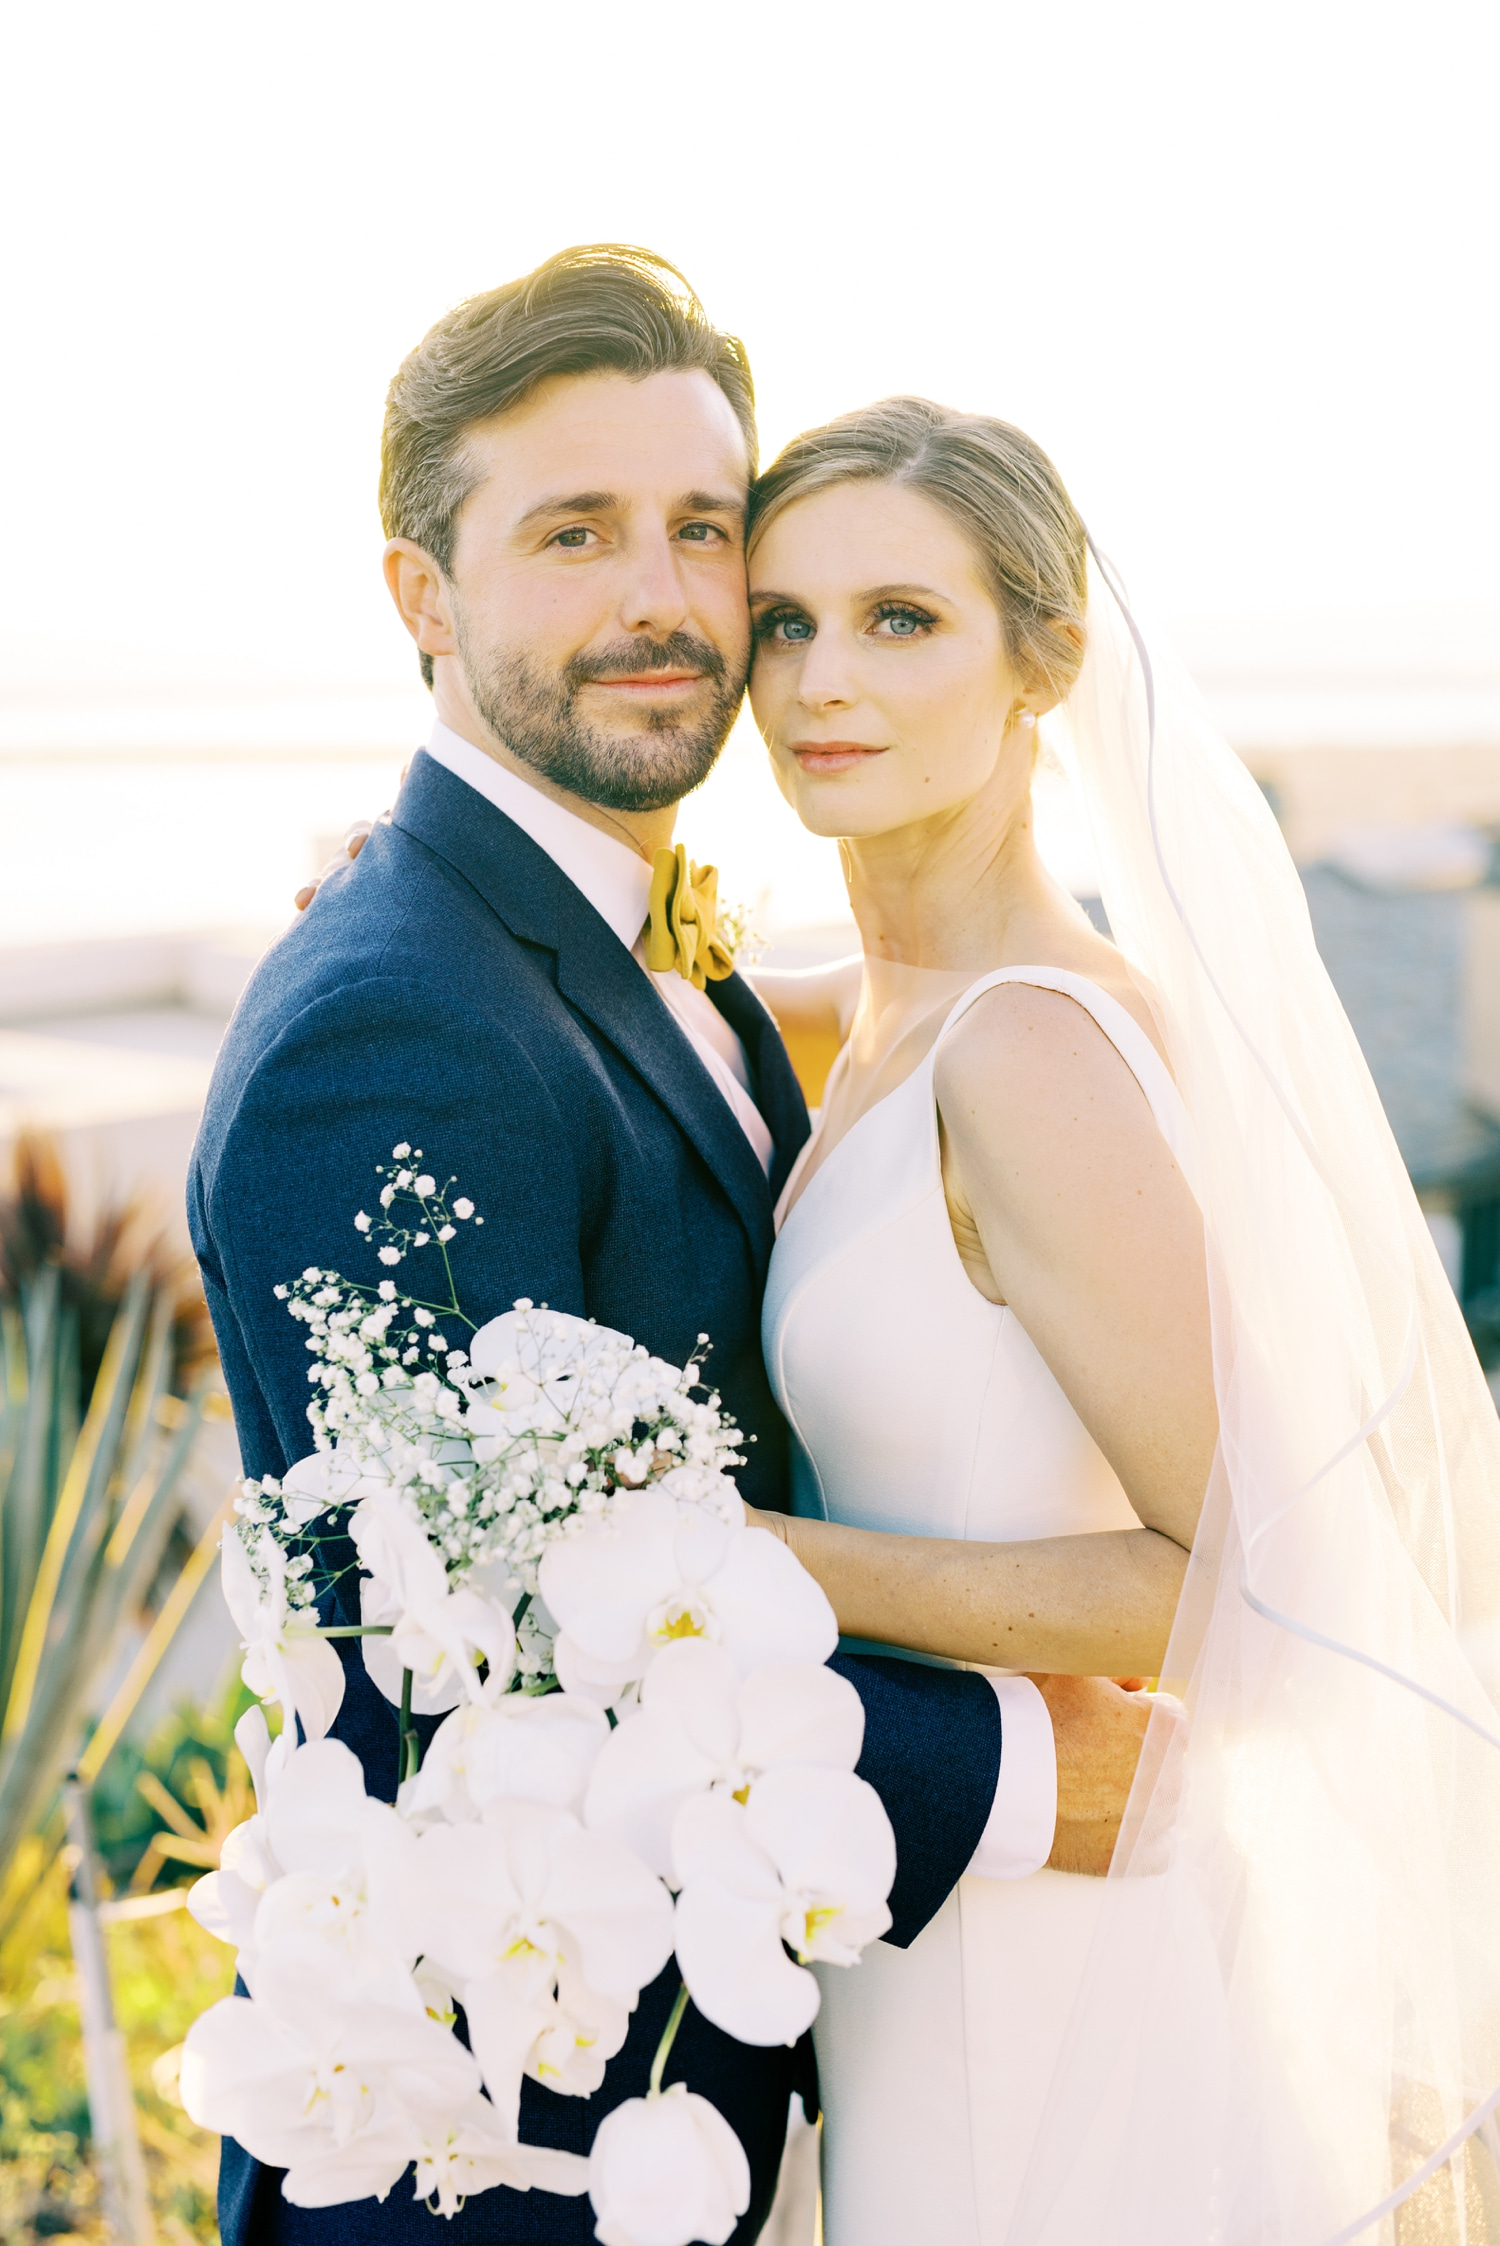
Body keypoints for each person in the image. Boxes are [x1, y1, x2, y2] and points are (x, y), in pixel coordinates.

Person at [189, 247, 1147, 2246]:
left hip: (723, 2095)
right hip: (497, 2156)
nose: (658, 599)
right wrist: (1010, 1773)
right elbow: (504, 1633)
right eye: (571, 532)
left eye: (698, 530)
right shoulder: (400, 1021)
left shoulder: (634, 964)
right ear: (420, 596)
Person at [729, 400, 1500, 2244]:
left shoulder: (1027, 1050)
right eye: (783, 620)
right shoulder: (896, 1009)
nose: (824, 678)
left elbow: (1237, 1575)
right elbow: (730, 994)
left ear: (1042, 665)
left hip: (1064, 1961)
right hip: (941, 1914)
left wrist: (752, 1566)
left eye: (903, 619)